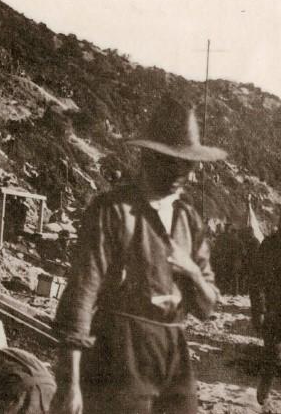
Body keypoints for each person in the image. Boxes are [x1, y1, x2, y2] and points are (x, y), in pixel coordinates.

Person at [51, 96, 222, 414]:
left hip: (174, 348)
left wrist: (193, 273)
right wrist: (70, 383)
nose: (178, 171)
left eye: (185, 162)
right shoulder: (112, 211)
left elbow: (207, 308)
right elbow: (81, 296)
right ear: (146, 157)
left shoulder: (188, 218)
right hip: (120, 348)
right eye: (168, 160)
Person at [250, 200, 281, 407]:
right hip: (275, 312)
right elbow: (256, 281)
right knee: (275, 357)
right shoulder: (271, 244)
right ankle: (264, 393)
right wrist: (259, 311)